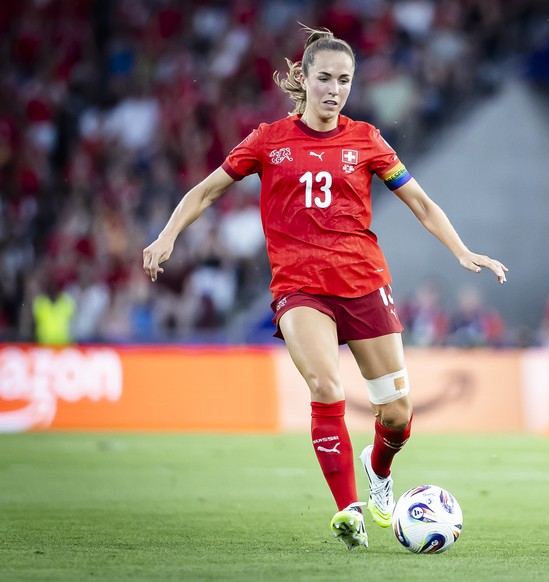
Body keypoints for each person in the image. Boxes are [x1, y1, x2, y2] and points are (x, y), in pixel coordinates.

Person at [142, 26, 507, 551]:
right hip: (300, 288)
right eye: (325, 79)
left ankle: (378, 467)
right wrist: (167, 235)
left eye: (344, 80)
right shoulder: (268, 140)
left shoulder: (367, 140)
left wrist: (462, 251)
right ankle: (349, 510)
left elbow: (422, 203)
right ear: (305, 79)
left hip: (364, 283)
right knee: (325, 386)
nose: (335, 90)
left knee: (397, 417)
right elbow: (206, 191)